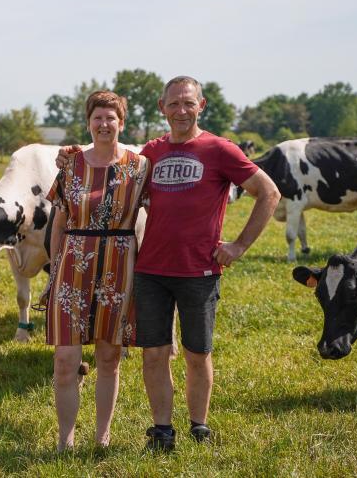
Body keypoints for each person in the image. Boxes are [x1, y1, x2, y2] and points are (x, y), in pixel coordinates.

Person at [58, 76, 280, 452]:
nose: (181, 111)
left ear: (201, 106)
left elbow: (269, 192)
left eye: (188, 103)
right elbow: (111, 167)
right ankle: (162, 429)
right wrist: (73, 154)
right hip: (150, 271)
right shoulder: (151, 153)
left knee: (197, 354)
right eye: (173, 104)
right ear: (162, 108)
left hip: (199, 271)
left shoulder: (220, 149)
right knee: (155, 353)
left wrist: (240, 245)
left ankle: (199, 425)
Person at [44, 90, 149, 451]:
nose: (104, 124)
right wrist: (53, 270)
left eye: (111, 118)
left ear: (122, 123)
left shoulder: (140, 166)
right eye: (97, 118)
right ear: (88, 123)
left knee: (109, 357)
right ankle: (65, 440)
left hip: (119, 267)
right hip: (72, 266)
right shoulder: (70, 165)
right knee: (64, 359)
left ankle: (102, 437)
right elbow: (58, 223)